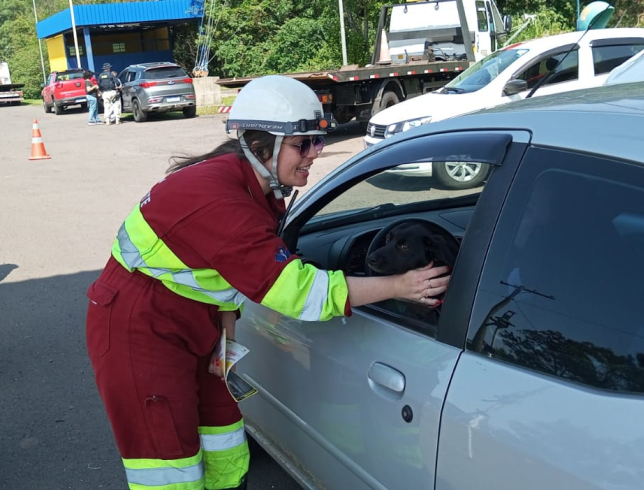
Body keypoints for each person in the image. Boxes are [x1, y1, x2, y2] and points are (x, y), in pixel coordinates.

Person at [85, 75, 450, 490]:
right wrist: (401, 286)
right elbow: (300, 293)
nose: (315, 154)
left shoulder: (253, 185)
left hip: (192, 319)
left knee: (222, 436)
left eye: (318, 141)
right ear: (262, 146)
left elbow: (216, 272)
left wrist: (223, 342)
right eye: (303, 144)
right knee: (169, 463)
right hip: (140, 330)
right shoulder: (220, 200)